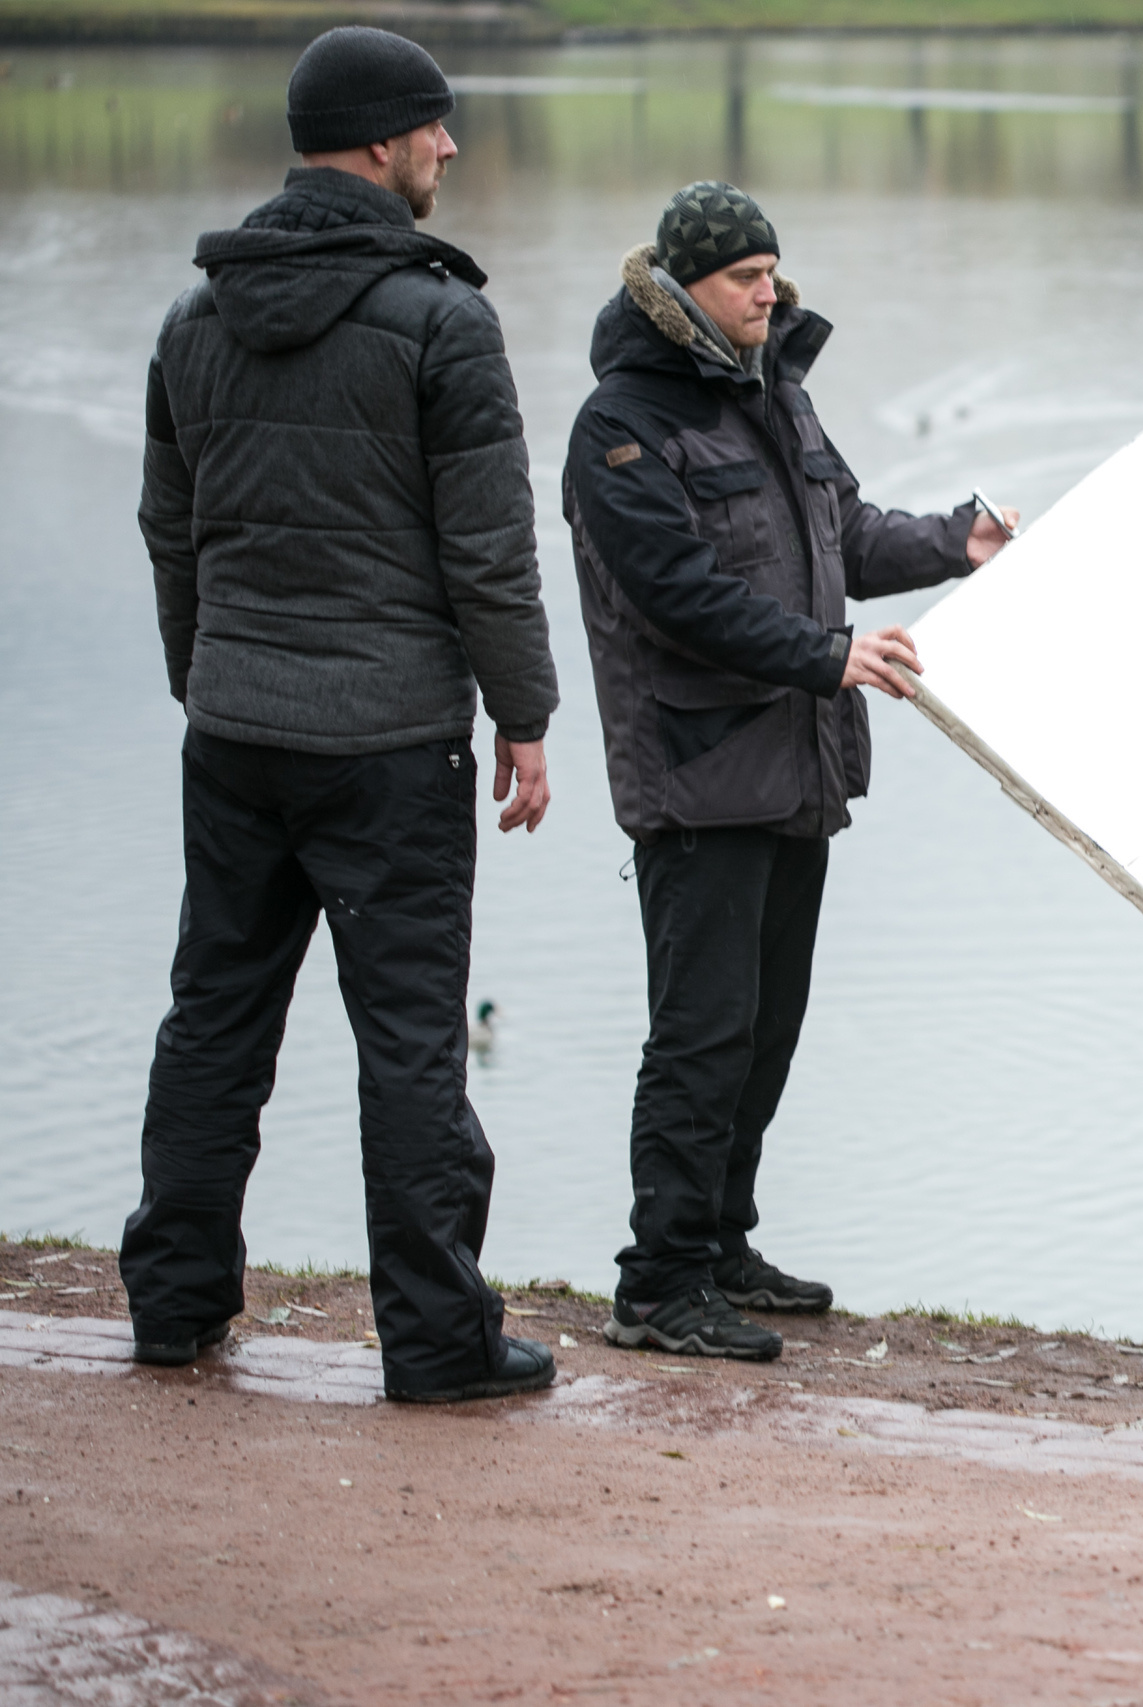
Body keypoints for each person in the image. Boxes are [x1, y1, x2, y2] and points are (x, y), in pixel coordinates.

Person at [125, 27, 560, 1403]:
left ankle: (175, 1305)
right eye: (433, 128)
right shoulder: (443, 320)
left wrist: (208, 676)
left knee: (213, 1020)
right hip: (386, 750)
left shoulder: (197, 317)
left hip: (237, 731)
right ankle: (437, 1342)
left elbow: (170, 531)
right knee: (412, 1047)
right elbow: (489, 551)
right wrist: (526, 714)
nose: (448, 148)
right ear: (378, 141)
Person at [564, 183, 1015, 1362]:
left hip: (795, 771)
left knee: (765, 1030)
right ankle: (656, 1282)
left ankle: (718, 1245)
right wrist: (827, 657)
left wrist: (955, 542)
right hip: (699, 776)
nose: (769, 293)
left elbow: (845, 535)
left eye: (773, 271)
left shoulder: (776, 396)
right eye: (743, 279)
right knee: (701, 1034)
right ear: (680, 293)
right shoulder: (622, 427)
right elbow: (678, 599)